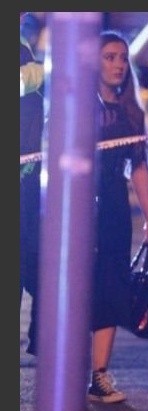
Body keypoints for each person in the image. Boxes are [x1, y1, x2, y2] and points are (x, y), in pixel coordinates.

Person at [88, 30, 148, 403]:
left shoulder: (132, 111)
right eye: (110, 57)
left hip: (115, 207)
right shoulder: (80, 106)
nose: (118, 65)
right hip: (81, 205)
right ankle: (67, 368)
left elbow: (140, 169)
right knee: (78, 288)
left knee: (111, 288)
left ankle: (98, 374)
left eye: (122, 57)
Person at [20, 11, 45, 357]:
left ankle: (43, 333)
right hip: (25, 185)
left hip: (22, 185)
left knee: (29, 262)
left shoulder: (28, 70)